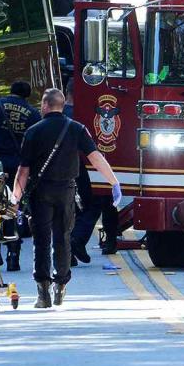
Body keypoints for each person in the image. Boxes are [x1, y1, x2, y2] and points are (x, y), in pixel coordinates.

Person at [13, 88, 121, 308]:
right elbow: (96, 158)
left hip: (40, 193)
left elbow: (23, 170)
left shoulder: (33, 131)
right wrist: (114, 182)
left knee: (41, 241)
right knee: (62, 238)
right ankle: (60, 288)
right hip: (66, 191)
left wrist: (15, 198)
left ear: (44, 105)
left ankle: (43, 293)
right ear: (62, 106)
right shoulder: (76, 129)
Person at [0, 81, 40, 272]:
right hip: (20, 166)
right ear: (27, 95)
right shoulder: (34, 113)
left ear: (10, 91)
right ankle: (14, 255)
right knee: (13, 207)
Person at [65, 80, 119, 263]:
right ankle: (78, 242)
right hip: (85, 164)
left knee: (71, 210)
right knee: (98, 203)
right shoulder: (85, 115)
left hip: (60, 168)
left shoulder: (58, 114)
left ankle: (69, 252)